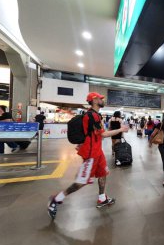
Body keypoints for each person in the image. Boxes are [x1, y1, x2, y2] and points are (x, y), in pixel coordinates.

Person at [47, 92, 129, 220]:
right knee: (82, 181)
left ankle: (102, 198)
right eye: (101, 98)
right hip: (91, 154)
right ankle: (56, 199)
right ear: (94, 100)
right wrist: (121, 130)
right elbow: (103, 134)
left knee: (102, 173)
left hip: (97, 151)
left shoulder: (94, 114)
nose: (103, 99)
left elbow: (90, 133)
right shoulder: (92, 116)